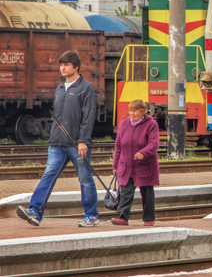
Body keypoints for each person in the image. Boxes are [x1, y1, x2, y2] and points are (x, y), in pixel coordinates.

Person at [16, 50, 99, 228]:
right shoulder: (60, 88)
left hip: (77, 144)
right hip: (56, 143)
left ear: (76, 67)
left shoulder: (86, 88)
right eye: (61, 65)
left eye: (66, 65)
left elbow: (89, 116)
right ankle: (35, 212)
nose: (62, 68)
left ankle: (91, 215)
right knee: (48, 175)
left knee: (84, 179)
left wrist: (83, 140)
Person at [110, 99, 160, 226]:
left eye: (135, 110)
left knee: (147, 191)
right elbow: (118, 146)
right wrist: (115, 165)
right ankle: (123, 217)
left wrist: (143, 152)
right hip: (126, 164)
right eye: (130, 110)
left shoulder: (151, 124)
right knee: (126, 191)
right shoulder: (124, 123)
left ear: (142, 112)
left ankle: (149, 218)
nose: (131, 113)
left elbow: (154, 143)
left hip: (145, 164)